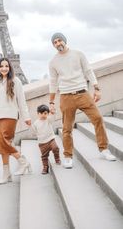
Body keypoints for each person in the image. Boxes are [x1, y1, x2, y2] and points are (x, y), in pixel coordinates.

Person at [49, 32, 116, 169]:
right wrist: (51, 102)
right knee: (67, 128)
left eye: (59, 40)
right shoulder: (53, 62)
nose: (58, 44)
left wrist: (96, 88)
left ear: (64, 40)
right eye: (55, 42)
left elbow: (88, 71)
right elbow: (53, 82)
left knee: (97, 118)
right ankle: (68, 156)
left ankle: (104, 149)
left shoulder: (78, 54)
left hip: (82, 93)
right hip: (66, 96)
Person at [0, 57, 32, 184]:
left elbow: (21, 100)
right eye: (1, 66)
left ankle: (23, 162)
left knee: (4, 142)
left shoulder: (15, 81)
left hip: (11, 115)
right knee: (3, 145)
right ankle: (7, 174)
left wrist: (26, 117)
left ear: (10, 67)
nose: (4, 68)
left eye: (6, 66)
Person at [32, 104, 60, 174]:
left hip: (51, 139)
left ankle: (57, 158)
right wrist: (30, 126)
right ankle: (45, 167)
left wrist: (53, 113)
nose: (43, 115)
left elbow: (53, 118)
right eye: (41, 113)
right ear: (38, 114)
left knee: (55, 148)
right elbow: (34, 133)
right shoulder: (36, 123)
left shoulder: (48, 120)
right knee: (44, 156)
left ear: (47, 113)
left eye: (45, 113)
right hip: (42, 143)